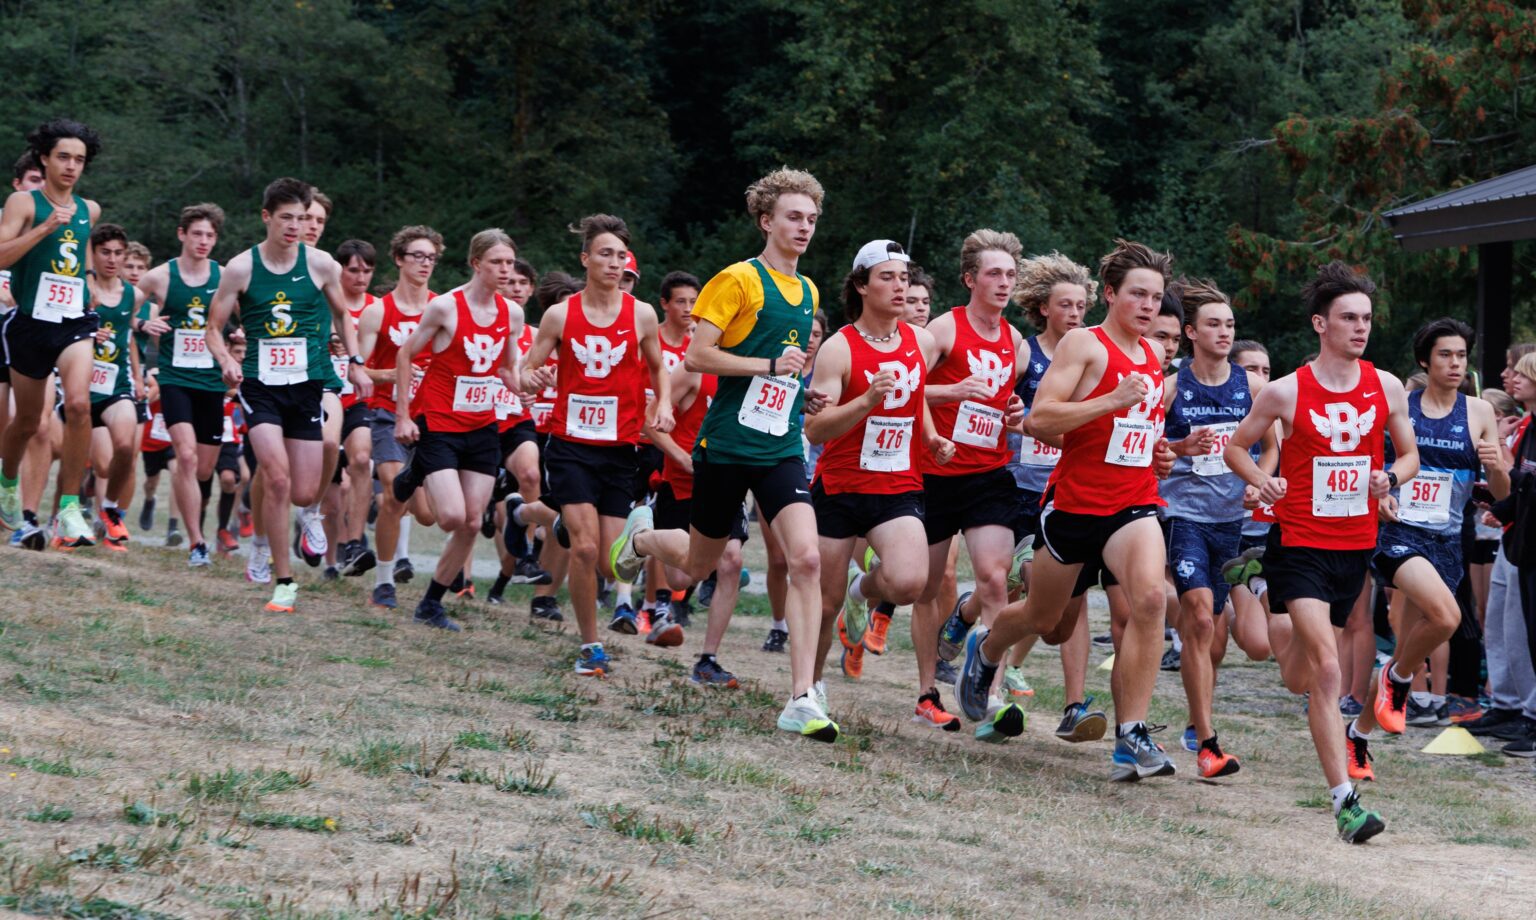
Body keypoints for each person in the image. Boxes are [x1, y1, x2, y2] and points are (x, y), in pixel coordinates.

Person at [609, 168, 837, 742]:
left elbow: (778, 368)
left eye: (811, 218)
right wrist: (766, 368)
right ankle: (640, 538)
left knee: (807, 560)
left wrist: (795, 389)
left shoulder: (808, 291)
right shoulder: (738, 280)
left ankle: (802, 696)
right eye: (793, 216)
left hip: (780, 445)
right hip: (726, 445)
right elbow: (698, 359)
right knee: (698, 564)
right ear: (766, 221)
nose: (804, 227)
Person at [957, 240, 1178, 778]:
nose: (1149, 306)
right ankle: (986, 651)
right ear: (1110, 294)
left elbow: (1131, 431)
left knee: (1151, 600)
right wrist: (1110, 400)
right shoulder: (1085, 344)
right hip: (1074, 505)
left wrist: (1157, 451)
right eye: (1138, 295)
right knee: (1045, 620)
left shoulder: (1152, 355)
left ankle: (1132, 735)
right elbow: (1039, 419)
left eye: (1156, 298)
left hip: (1134, 502)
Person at [1223, 261, 1417, 843]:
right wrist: (1262, 480)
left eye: (1366, 319)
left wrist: (1391, 479)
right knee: (1329, 672)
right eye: (1348, 318)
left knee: (1297, 675)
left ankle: (1264, 603)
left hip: (1354, 547)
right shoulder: (1286, 390)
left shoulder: (1384, 385)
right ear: (1320, 324)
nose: (1361, 328)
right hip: (1299, 543)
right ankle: (1345, 803)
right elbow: (1237, 448)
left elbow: (1407, 457)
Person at [805, 239, 957, 727]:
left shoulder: (919, 342)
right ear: (861, 286)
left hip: (898, 483)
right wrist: (866, 401)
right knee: (822, 605)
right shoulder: (838, 348)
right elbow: (816, 429)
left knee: (910, 582)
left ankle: (860, 591)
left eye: (905, 278)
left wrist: (932, 438)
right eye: (888, 278)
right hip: (842, 486)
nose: (900, 287)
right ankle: (809, 689)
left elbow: (916, 400)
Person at [204, 177, 372, 613]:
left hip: (307, 385)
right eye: (286, 219)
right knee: (275, 478)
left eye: (302, 218)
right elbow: (212, 326)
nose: (295, 226)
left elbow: (343, 316)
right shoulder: (240, 268)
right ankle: (283, 580)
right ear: (267, 218)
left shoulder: (320, 265)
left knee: (301, 492)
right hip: (260, 387)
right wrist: (225, 358)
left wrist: (355, 362)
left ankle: (305, 519)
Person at [517, 215, 672, 674]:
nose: (613, 262)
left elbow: (660, 367)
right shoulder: (560, 315)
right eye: (604, 254)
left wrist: (662, 403)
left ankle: (568, 523)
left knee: (611, 566)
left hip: (621, 448)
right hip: (570, 444)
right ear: (585, 259)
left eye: (620, 255)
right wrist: (536, 377)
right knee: (583, 551)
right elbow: (524, 372)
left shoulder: (641, 313)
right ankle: (590, 646)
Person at [1158, 280, 1274, 776]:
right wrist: (1180, 449)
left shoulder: (1249, 387)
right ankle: (1208, 743)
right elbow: (1147, 446)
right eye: (1213, 324)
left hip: (1232, 521)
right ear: (1190, 332)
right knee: (1201, 619)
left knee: (1214, 635)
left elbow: (1271, 444)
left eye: (1230, 324)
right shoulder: (1171, 386)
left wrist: (1257, 480)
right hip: (1182, 515)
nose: (1224, 332)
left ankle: (1194, 719)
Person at [1366, 319, 1505, 736]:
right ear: (1425, 360)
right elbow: (1375, 461)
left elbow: (1499, 492)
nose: (1455, 363)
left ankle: (1360, 734)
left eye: (1462, 355)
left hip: (1447, 539)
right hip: (1398, 532)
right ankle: (1401, 680)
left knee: (1408, 629)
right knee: (1447, 618)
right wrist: (1381, 493)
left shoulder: (1479, 411)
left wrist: (1496, 466)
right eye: (1445, 354)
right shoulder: (1401, 404)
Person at [997, 252, 1105, 740]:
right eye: (1067, 305)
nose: (1076, 314)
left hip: (1071, 490)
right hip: (1021, 486)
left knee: (1070, 602)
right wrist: (1011, 411)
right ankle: (993, 678)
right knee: (1020, 587)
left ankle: (1075, 704)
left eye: (1083, 306)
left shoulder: (1094, 356)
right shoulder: (1026, 352)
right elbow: (995, 400)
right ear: (1043, 308)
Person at [391, 229, 520, 630]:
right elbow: (405, 353)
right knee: (448, 517)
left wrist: (531, 385)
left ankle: (431, 604)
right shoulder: (445, 308)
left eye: (511, 263)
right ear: (476, 263)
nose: (505, 270)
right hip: (440, 423)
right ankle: (415, 472)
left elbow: (506, 370)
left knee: (470, 522)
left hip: (482, 426)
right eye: (497, 262)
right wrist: (403, 415)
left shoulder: (512, 314)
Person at [0, 120, 104, 549]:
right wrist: (43, 229)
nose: (71, 166)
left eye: (79, 159)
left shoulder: (89, 210)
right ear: (44, 158)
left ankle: (68, 508)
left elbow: (75, 257)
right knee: (26, 422)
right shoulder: (24, 202)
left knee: (79, 404)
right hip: (29, 324)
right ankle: (6, 484)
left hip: (73, 321)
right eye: (63, 156)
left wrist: (89, 280)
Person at [357, 226, 442, 607]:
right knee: (394, 494)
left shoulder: (443, 309)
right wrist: (390, 374)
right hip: (387, 413)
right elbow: (355, 368)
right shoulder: (379, 311)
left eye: (431, 258)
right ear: (399, 259)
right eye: (418, 256)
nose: (425, 264)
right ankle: (384, 581)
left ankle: (390, 508)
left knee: (426, 514)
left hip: (431, 419)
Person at [137, 203, 226, 566]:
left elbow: (250, 314)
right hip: (175, 378)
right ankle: (196, 543)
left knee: (204, 469)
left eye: (210, 235)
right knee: (185, 457)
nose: (203, 241)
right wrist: (145, 324)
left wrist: (239, 344)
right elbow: (123, 305)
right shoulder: (160, 276)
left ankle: (195, 528)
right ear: (182, 235)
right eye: (197, 234)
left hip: (212, 381)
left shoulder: (224, 276)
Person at [1470, 351, 1536, 755]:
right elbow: (1524, 483)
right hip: (1518, 540)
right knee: (1503, 625)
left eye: (1521, 371)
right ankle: (1508, 705)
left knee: (1526, 630)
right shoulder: (1529, 428)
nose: (1512, 378)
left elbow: (1522, 477)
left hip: (1528, 543)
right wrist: (1500, 508)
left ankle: (1529, 713)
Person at [82, 223, 146, 550]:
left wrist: (137, 375)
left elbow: (131, 329)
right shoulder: (83, 289)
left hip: (116, 384)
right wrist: (88, 334)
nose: (112, 259)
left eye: (118, 253)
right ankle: (71, 509)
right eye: (105, 252)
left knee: (125, 448)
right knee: (102, 463)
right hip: (81, 386)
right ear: (93, 254)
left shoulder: (132, 294)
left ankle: (110, 510)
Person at [326, 238, 379, 577]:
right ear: (340, 269)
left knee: (361, 459)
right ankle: (331, 555)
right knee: (332, 491)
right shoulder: (324, 302)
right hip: (325, 397)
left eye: (368, 271)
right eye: (354, 270)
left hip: (359, 399)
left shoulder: (377, 308)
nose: (361, 277)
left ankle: (356, 543)